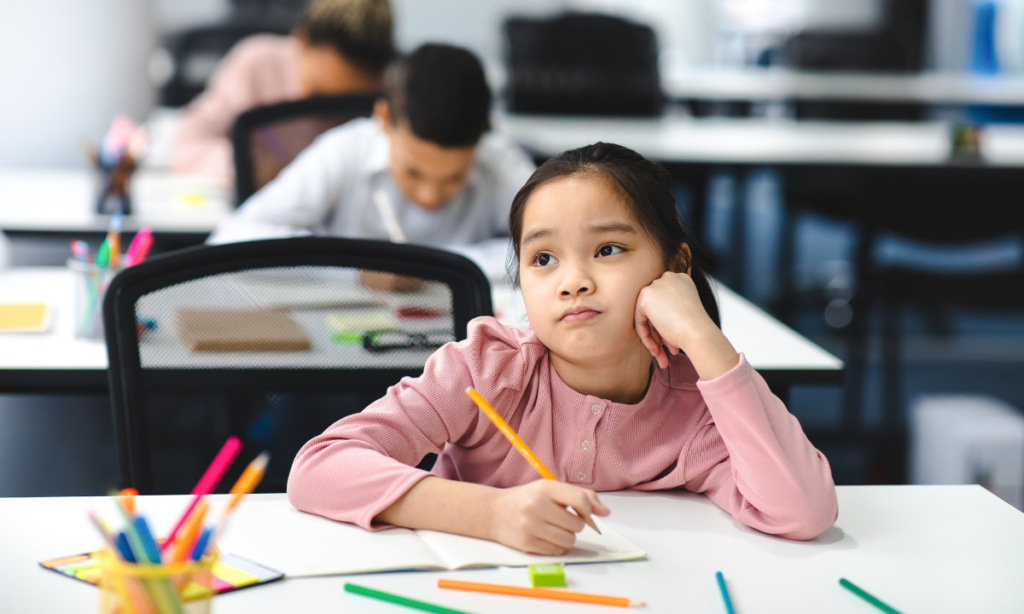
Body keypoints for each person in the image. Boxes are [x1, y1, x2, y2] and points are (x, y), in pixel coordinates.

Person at [287, 142, 839, 554]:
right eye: (543, 259)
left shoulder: (697, 404)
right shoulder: (484, 369)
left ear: (675, 268)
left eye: (608, 248)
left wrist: (701, 335)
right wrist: (493, 514)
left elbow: (803, 511)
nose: (572, 280)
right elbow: (320, 467)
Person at [207, 44, 535, 277]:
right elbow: (234, 235)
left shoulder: (497, 161)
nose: (429, 196)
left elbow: (564, 247)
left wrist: (437, 267)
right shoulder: (345, 152)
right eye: (413, 172)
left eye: (453, 178)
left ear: (482, 142)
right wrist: (357, 268)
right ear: (383, 120)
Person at [173, 0, 394, 182]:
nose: (323, 116)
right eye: (318, 93)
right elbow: (187, 144)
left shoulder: (385, 97)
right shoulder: (255, 64)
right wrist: (248, 167)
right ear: (302, 40)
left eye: (342, 103)